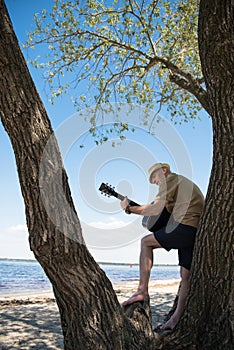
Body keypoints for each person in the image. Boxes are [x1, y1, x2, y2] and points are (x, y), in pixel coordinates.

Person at [120, 163, 204, 332]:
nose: (155, 182)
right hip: (196, 230)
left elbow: (155, 208)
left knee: (145, 242)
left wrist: (128, 208)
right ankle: (175, 318)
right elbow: (162, 212)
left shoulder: (171, 180)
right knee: (185, 275)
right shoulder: (180, 184)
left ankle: (142, 290)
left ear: (164, 171)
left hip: (186, 226)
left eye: (155, 178)